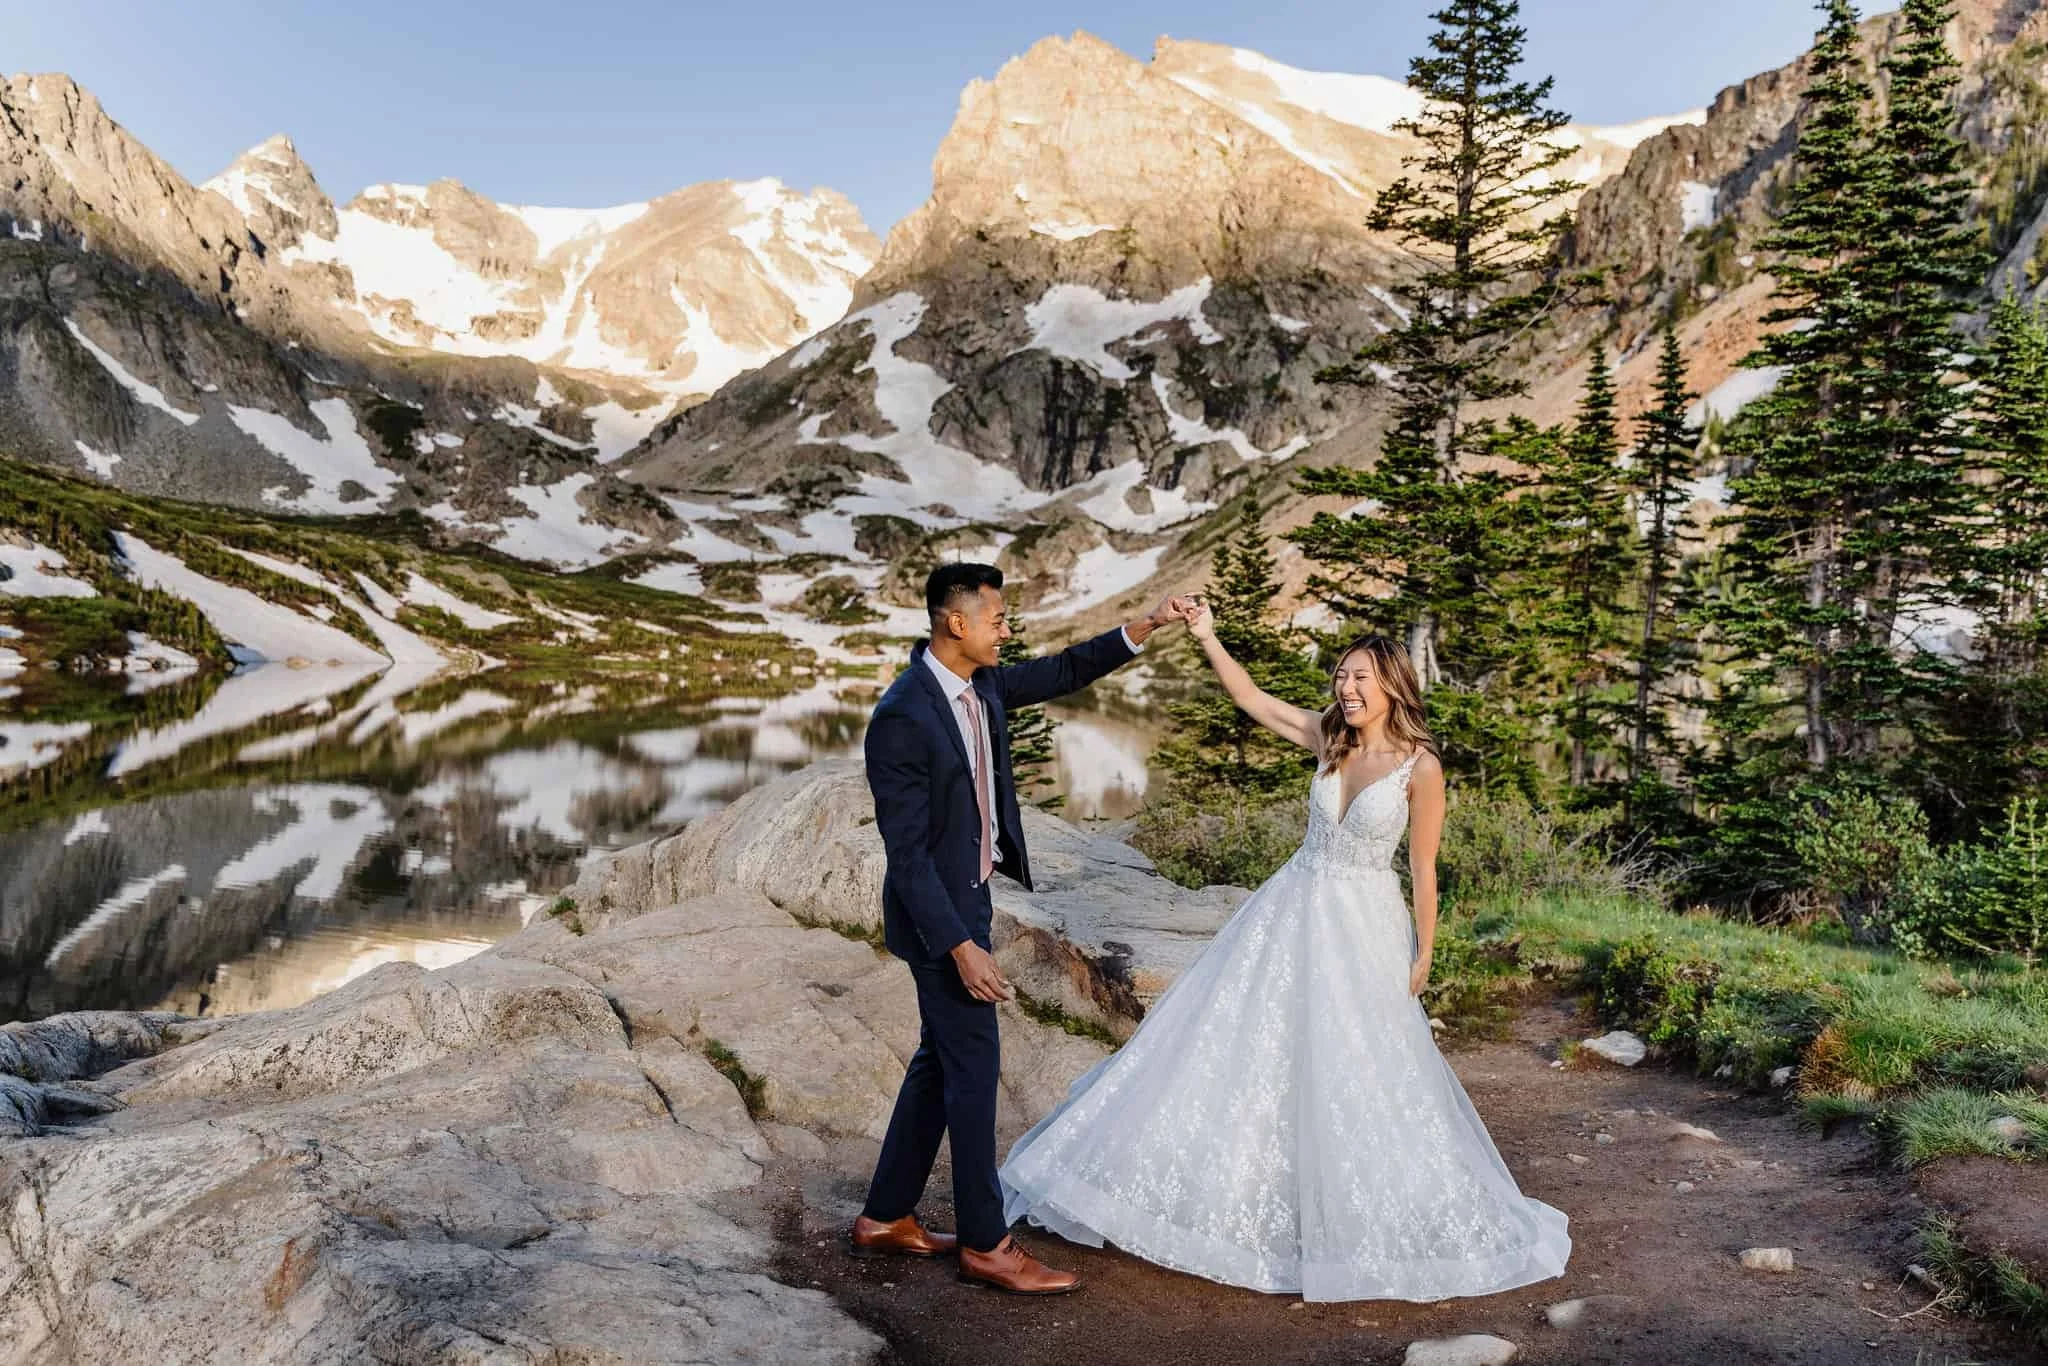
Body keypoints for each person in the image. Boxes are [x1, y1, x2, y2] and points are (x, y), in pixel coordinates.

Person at [997, 600, 1571, 1302]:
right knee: (1248, 1052)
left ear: (1392, 683)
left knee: (1356, 1062)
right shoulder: (1330, 739)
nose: (1346, 689)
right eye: (1340, 677)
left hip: (1362, 924)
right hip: (1289, 912)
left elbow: (1424, 870)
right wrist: (1207, 637)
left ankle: (1351, 1212)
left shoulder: (1421, 768)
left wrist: (1425, 950)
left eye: (1359, 678)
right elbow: (1250, 699)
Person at [849, 561, 1193, 1295]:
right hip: (938, 917)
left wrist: (1149, 624)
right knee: (973, 1075)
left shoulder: (986, 685)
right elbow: (906, 859)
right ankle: (986, 1243)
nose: (1008, 630)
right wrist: (961, 946)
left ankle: (884, 1218)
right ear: (955, 622)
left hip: (969, 899)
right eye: (999, 619)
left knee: (939, 1064)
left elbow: (1067, 668)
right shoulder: (902, 717)